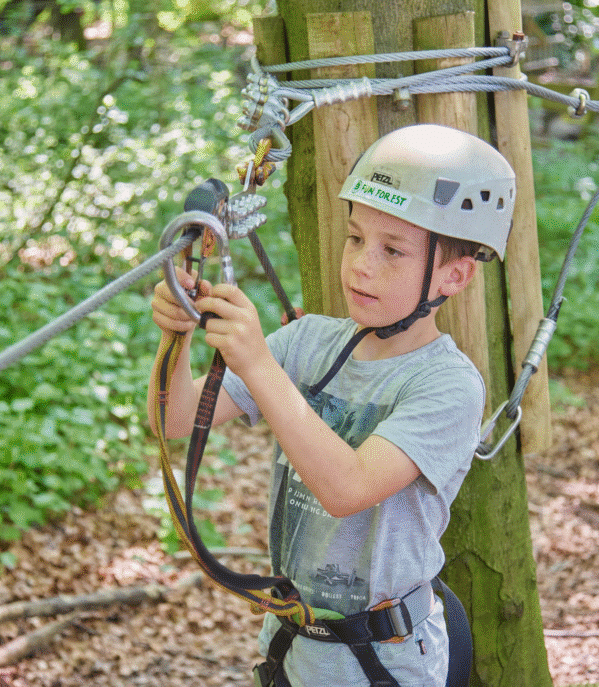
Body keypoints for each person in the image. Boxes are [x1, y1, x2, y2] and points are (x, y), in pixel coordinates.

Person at [148, 124, 516, 687]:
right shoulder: (308, 342)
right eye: (355, 238)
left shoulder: (448, 386)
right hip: (291, 647)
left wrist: (258, 364)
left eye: (392, 250)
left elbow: (347, 489)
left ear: (454, 276)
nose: (361, 265)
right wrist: (178, 337)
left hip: (384, 661)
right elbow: (175, 419)